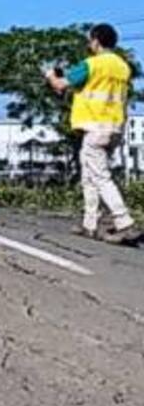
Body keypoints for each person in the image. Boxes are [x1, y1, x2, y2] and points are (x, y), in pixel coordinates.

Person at [45, 23, 139, 243]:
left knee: (99, 176)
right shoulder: (122, 66)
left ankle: (123, 221)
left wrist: (50, 75)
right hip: (115, 127)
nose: (89, 44)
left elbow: (60, 85)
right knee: (89, 175)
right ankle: (90, 223)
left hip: (95, 128)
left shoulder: (92, 64)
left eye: (90, 40)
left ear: (96, 41)